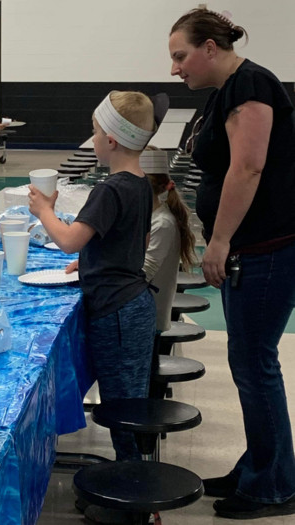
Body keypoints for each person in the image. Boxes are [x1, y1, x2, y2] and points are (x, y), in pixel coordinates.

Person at [169, 8, 295, 519]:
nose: (176, 68)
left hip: (266, 246)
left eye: (181, 56)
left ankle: (273, 485)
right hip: (254, 246)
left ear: (211, 49)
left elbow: (248, 166)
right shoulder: (228, 91)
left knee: (256, 364)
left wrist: (218, 242)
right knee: (248, 364)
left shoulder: (251, 84)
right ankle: (260, 466)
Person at [29, 91, 156, 463]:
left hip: (117, 311)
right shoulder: (140, 182)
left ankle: (132, 492)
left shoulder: (110, 188)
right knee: (130, 397)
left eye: (95, 131)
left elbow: (68, 240)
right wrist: (93, 261)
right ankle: (134, 477)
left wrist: (44, 211)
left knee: (122, 406)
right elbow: (135, 239)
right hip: (132, 302)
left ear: (111, 140)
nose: (93, 138)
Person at [140, 148, 196, 333]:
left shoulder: (163, 223)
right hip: (141, 313)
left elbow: (142, 275)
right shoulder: (148, 215)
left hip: (148, 318)